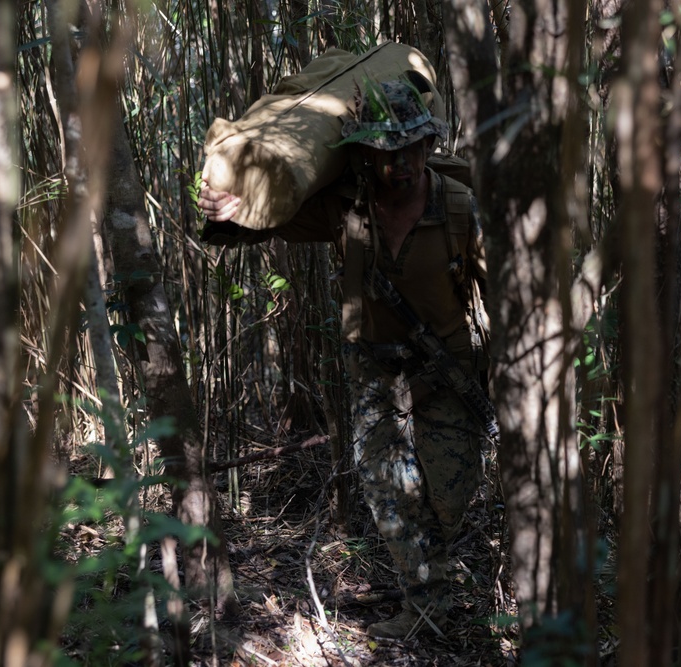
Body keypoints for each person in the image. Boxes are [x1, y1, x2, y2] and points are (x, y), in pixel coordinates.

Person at [198, 78, 492, 639]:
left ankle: (429, 575)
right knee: (386, 488)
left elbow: (501, 291)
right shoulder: (347, 209)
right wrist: (229, 208)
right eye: (384, 152)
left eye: (408, 149)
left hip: (447, 371)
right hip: (376, 367)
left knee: (448, 496)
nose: (398, 165)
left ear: (428, 147)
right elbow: (268, 222)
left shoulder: (457, 207)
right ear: (362, 153)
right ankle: (425, 606)